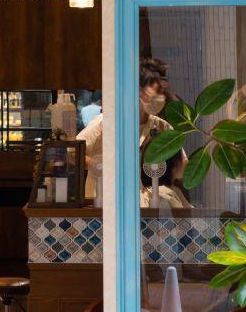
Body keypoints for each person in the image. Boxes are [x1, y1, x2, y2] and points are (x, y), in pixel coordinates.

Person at [77, 56, 187, 205]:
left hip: (147, 208)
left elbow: (182, 169)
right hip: (108, 205)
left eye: (164, 90)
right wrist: (97, 165)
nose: (162, 96)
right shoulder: (106, 123)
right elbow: (71, 152)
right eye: (158, 90)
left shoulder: (162, 127)